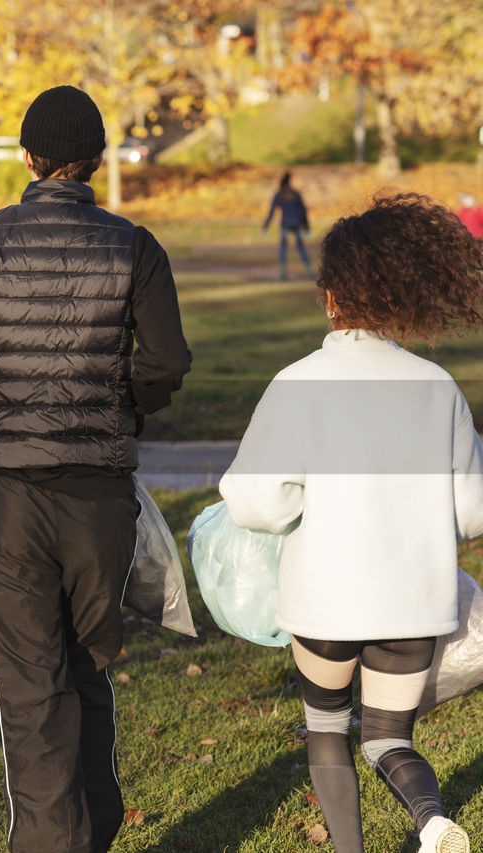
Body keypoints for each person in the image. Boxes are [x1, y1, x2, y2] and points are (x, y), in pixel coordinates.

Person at [0, 86, 191, 852]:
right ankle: (94, 832)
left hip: (14, 496)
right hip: (102, 494)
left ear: (29, 159)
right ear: (96, 160)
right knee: (88, 664)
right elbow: (166, 361)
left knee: (33, 688)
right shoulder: (137, 247)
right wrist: (123, 406)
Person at [219, 193, 483, 853]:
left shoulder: (298, 381)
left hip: (326, 604)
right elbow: (473, 512)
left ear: (332, 294)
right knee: (391, 736)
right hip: (414, 605)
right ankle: (429, 820)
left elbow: (256, 502)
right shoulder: (438, 386)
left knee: (328, 729)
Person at [263, 171, 313, 280]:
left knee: (283, 249)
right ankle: (310, 272)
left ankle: (282, 274)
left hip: (285, 224)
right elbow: (303, 211)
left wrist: (265, 226)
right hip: (297, 224)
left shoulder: (279, 195)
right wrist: (307, 227)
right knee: (301, 248)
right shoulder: (295, 194)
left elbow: (271, 212)